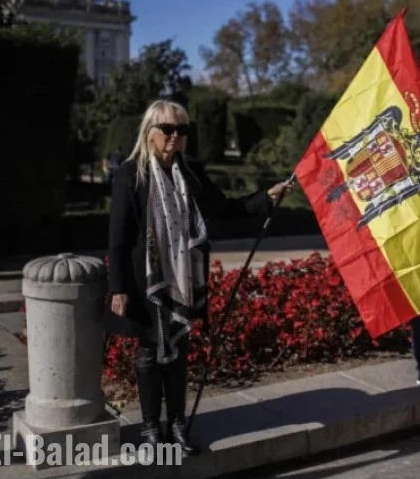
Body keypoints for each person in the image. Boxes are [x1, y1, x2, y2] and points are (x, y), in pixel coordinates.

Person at [107, 100, 292, 455]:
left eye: (183, 130)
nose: (176, 137)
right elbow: (118, 238)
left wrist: (265, 199)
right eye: (169, 129)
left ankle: (176, 425)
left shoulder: (190, 170)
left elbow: (223, 208)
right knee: (149, 353)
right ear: (150, 132)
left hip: (183, 275)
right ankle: (150, 429)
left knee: (178, 351)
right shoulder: (131, 174)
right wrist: (117, 287)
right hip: (146, 279)